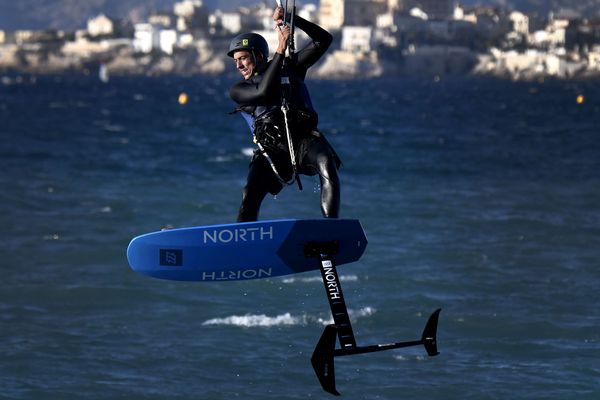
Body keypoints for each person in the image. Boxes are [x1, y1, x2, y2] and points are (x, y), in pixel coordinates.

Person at [228, 6, 341, 222]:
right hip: (272, 151)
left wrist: (292, 19)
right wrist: (280, 49)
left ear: (259, 55)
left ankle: (331, 227)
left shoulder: (291, 68)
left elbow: (323, 39)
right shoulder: (238, 89)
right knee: (249, 193)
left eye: (242, 58)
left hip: (304, 141)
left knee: (326, 161)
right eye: (235, 61)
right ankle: (242, 239)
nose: (239, 65)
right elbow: (264, 92)